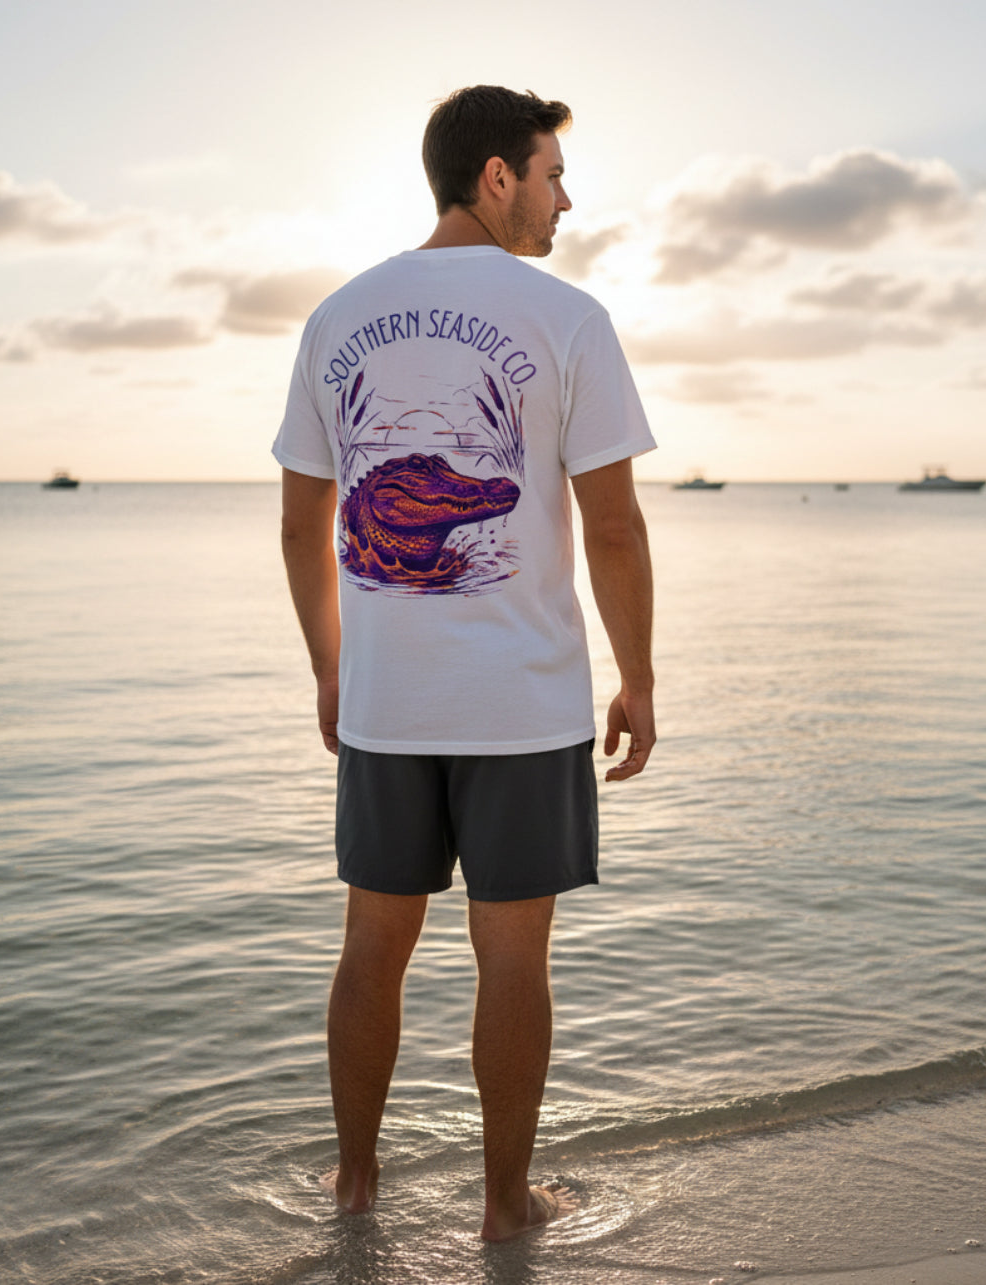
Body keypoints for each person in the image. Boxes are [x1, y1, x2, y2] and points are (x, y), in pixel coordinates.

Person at [274, 85, 656, 1242]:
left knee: (370, 953)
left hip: (387, 703)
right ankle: (502, 1207)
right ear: (496, 175)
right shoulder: (569, 318)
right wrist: (637, 675)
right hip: (524, 704)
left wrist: (331, 668)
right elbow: (616, 527)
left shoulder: (338, 316)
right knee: (511, 959)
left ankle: (354, 1187)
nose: (563, 199)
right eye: (550, 175)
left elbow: (302, 524)